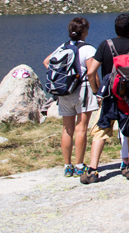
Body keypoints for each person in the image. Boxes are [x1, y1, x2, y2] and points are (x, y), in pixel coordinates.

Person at [81, 13, 129, 184]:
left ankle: (93, 169)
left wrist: (96, 91)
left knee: (101, 131)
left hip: (109, 96)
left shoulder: (105, 45)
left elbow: (91, 72)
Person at [43, 17, 98, 178]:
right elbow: (91, 73)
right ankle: (80, 165)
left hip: (65, 91)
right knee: (81, 128)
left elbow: (47, 62)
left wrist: (63, 78)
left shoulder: (63, 47)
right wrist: (96, 92)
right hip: (82, 90)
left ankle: (67, 165)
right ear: (85, 32)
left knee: (67, 129)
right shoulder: (88, 49)